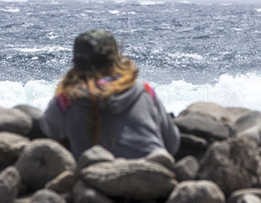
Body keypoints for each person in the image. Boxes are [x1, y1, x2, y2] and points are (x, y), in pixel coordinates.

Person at [42, 30, 179, 158]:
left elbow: (49, 129)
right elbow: (172, 144)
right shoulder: (144, 91)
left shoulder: (68, 100)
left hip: (97, 179)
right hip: (155, 176)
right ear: (116, 58)